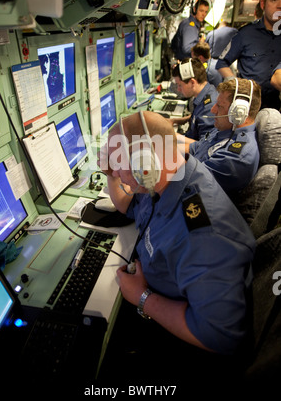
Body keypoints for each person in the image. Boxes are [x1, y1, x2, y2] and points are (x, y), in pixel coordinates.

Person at [97, 110, 256, 386]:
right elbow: (128, 206)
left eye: (119, 163)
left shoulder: (204, 237)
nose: (117, 172)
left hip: (188, 355)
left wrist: (142, 297)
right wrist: (111, 174)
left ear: (144, 162)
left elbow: (220, 336)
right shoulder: (169, 177)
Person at [183, 78, 261, 196]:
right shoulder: (225, 129)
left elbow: (188, 181)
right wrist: (163, 145)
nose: (213, 110)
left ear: (238, 113)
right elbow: (195, 148)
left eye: (219, 106)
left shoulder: (236, 157)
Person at [216, 0, 281, 110]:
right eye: (274, 0)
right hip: (247, 106)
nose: (280, 5)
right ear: (263, 5)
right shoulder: (245, 34)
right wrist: (237, 85)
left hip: (275, 107)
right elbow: (222, 63)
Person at [169, 58, 218, 140]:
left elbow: (203, 146)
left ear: (192, 82)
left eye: (180, 85)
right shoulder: (206, 92)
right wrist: (174, 121)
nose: (178, 89)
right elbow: (196, 117)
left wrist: (170, 134)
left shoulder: (209, 108)